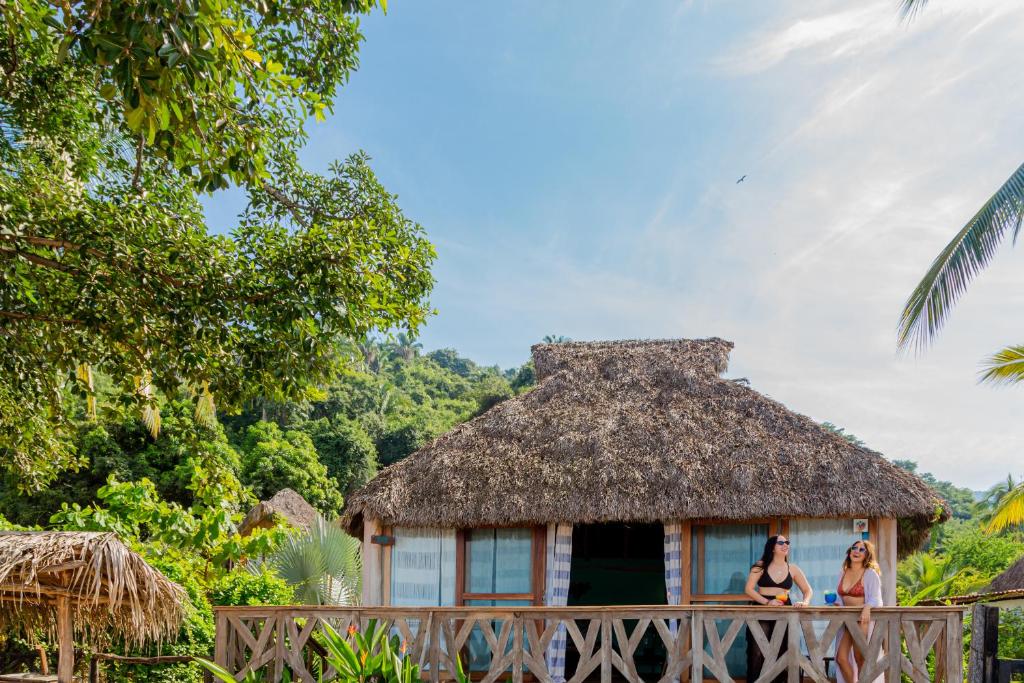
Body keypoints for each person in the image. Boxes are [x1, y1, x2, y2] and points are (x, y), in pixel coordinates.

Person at [743, 535, 812, 683]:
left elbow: (808, 590)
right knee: (757, 651)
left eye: (787, 542)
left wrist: (804, 602)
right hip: (762, 610)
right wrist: (767, 602)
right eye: (781, 542)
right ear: (772, 547)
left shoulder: (792, 569)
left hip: (784, 611)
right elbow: (749, 589)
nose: (785, 544)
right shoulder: (760, 566)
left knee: (783, 651)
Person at [834, 539, 883, 683]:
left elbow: (876, 598)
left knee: (860, 658)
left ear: (867, 555)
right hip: (847, 621)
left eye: (862, 550)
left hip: (863, 620)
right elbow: (840, 597)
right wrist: (836, 604)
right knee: (841, 658)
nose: (857, 551)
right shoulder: (843, 572)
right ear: (849, 552)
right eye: (854, 548)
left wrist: (868, 607)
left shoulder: (870, 573)